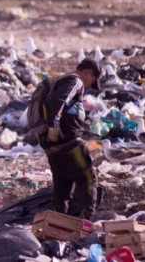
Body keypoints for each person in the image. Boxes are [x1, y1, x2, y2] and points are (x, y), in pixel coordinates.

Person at [40, 58, 101, 220]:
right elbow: (60, 100)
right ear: (87, 72)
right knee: (88, 179)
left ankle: (58, 226)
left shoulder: (56, 82)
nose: (88, 87)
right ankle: (87, 223)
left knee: (63, 187)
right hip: (69, 143)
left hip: (53, 147)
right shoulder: (75, 81)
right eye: (91, 81)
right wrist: (54, 125)